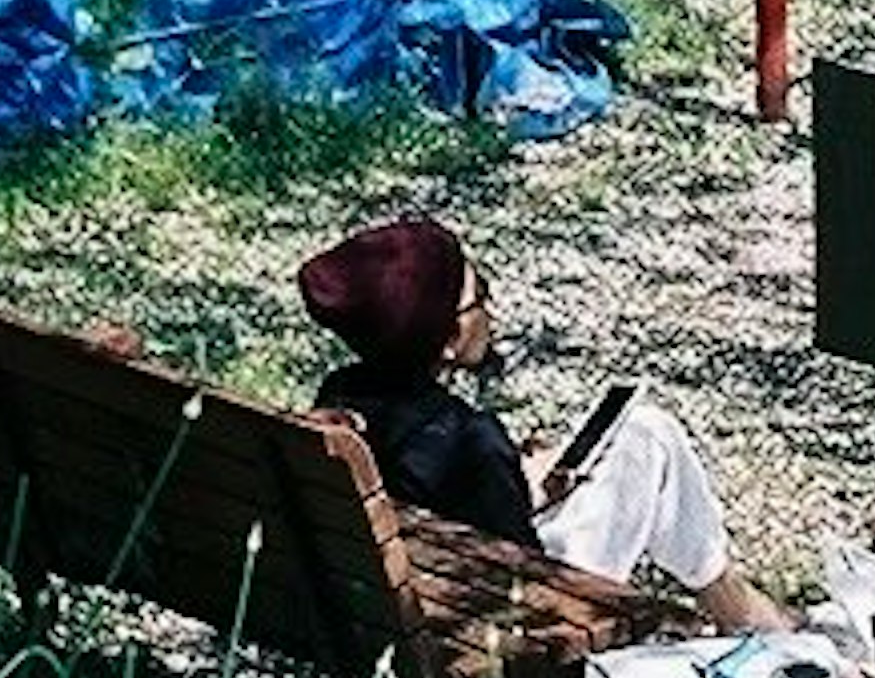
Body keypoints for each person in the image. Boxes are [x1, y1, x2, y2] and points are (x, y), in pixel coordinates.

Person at [296, 210, 791, 629]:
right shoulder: (468, 441)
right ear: (446, 340)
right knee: (650, 439)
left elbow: (448, 510)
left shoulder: (342, 399)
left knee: (635, 437)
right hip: (501, 645)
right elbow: (523, 587)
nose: (491, 308)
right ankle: (746, 615)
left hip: (397, 611)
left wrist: (521, 484)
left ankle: (739, 604)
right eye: (479, 296)